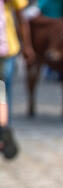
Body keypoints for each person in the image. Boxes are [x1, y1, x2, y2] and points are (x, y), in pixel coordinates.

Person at [0, 0, 34, 159]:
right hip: (5, 49)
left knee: (2, 94)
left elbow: (21, 16)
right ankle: (4, 132)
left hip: (6, 51)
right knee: (2, 95)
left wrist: (27, 45)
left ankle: (3, 133)